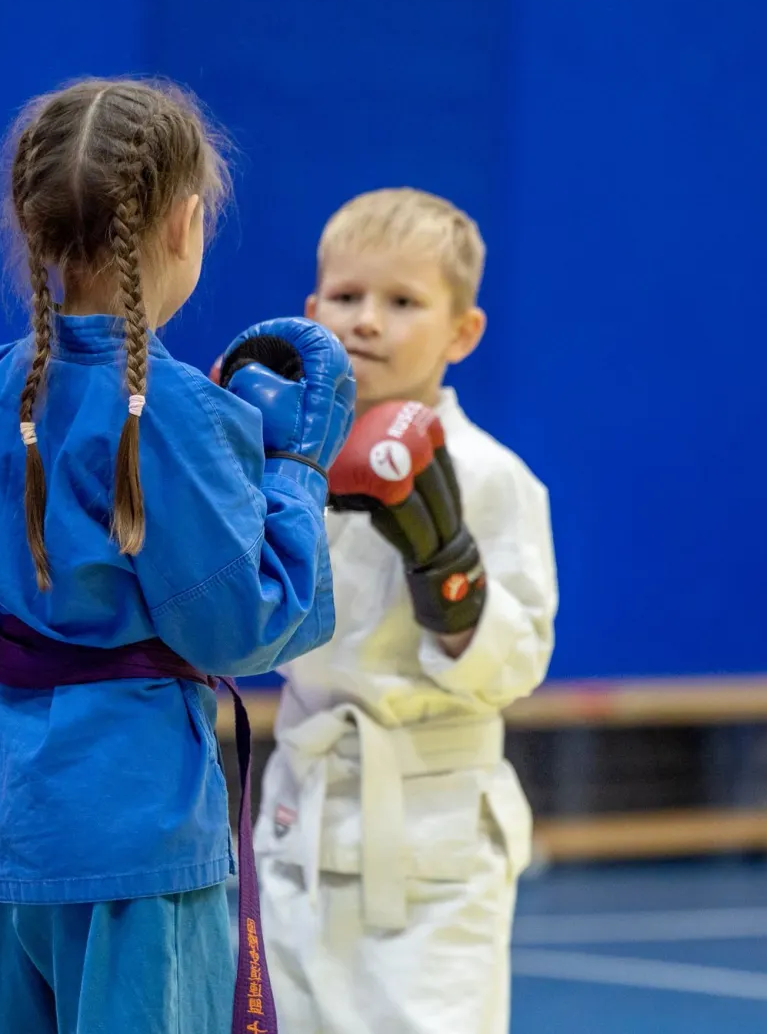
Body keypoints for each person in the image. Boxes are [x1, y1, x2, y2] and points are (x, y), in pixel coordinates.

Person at [0, 77, 354, 1034]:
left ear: (34, 225)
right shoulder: (177, 409)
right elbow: (244, 625)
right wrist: (295, 472)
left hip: (12, 814)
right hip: (137, 814)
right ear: (185, 222)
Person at [253, 187, 560, 1034]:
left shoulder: (493, 477)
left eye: (402, 301)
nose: (367, 322)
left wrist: (446, 568)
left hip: (435, 841)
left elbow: (519, 664)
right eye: (347, 299)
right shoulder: (285, 467)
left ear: (462, 332)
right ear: (312, 314)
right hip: (298, 826)